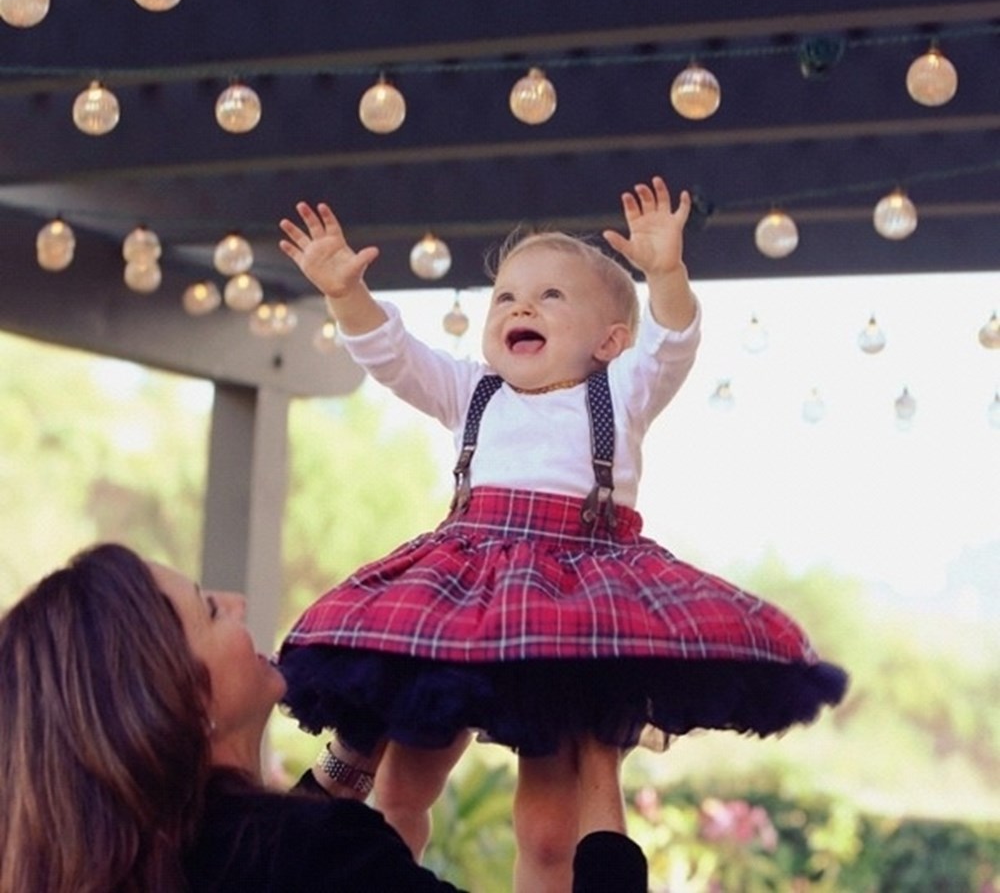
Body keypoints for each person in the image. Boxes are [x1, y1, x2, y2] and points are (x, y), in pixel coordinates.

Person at [276, 175, 849, 892]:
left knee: (548, 825)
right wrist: (344, 294)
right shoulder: (472, 391)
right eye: (507, 296)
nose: (521, 306)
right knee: (401, 786)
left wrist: (665, 274)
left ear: (609, 340)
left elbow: (673, 342)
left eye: (552, 296)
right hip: (467, 590)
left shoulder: (622, 392)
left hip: (570, 602)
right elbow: (392, 357)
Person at [0, 543, 648, 893]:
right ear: (179, 700)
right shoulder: (319, 858)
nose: (237, 601)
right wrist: (597, 760)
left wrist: (353, 755)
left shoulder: (121, 861)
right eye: (209, 611)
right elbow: (292, 858)